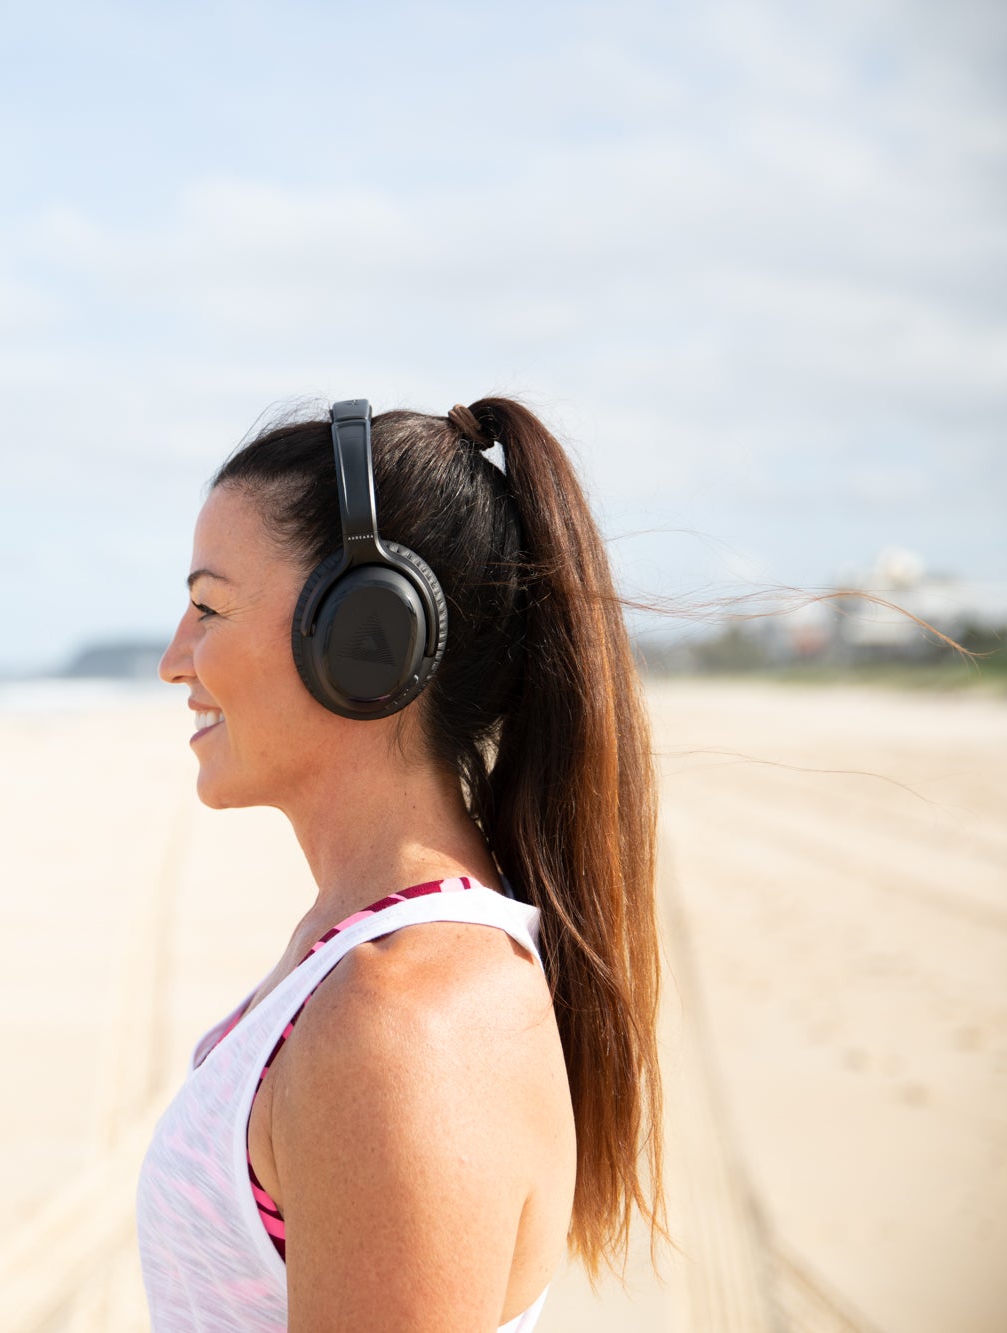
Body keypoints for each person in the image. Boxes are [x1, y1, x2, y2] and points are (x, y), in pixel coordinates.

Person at [135, 398, 668, 1331]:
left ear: (365, 636)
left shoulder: (403, 1030)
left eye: (210, 606)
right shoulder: (362, 963)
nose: (177, 659)